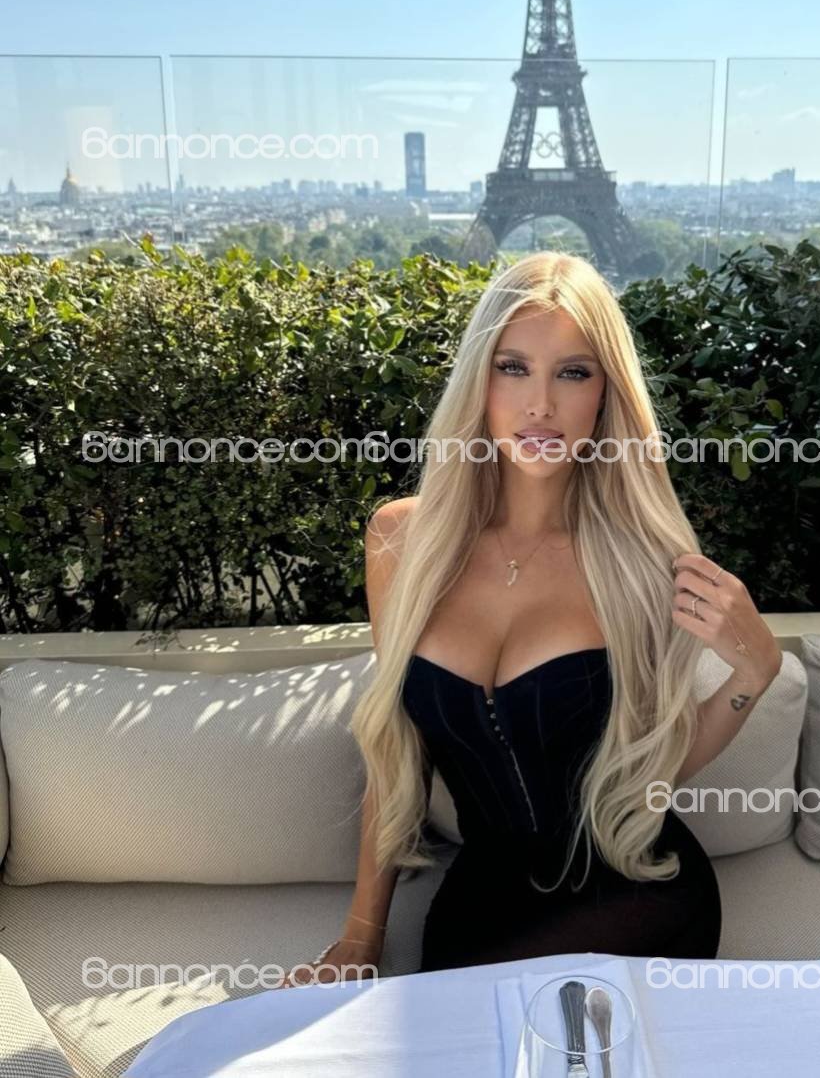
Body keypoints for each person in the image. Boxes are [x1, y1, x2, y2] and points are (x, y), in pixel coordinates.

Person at [278, 250, 782, 986]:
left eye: (573, 372)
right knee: (469, 1016)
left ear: (605, 395)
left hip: (634, 886)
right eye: (513, 367)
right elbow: (396, 755)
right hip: (486, 896)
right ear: (478, 383)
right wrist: (361, 937)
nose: (540, 403)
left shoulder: (642, 559)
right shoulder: (401, 542)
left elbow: (652, 767)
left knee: (520, 1016)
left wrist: (754, 674)